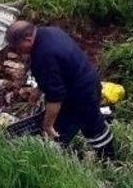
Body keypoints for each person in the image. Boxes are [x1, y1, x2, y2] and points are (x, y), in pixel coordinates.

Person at [6, 20, 115, 160]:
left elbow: (55, 97)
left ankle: (109, 161)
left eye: (17, 47)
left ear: (27, 39)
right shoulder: (49, 32)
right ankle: (59, 152)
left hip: (81, 94)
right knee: (76, 125)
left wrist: (48, 125)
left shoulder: (43, 55)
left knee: (92, 128)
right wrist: (39, 88)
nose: (17, 51)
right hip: (87, 81)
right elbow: (58, 69)